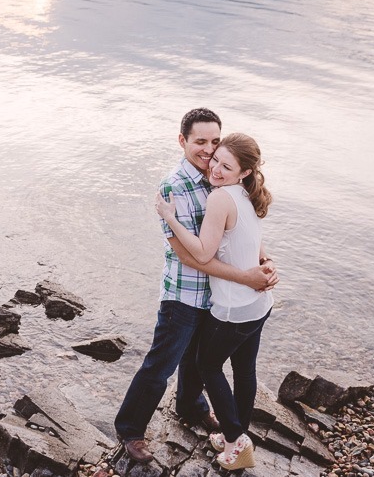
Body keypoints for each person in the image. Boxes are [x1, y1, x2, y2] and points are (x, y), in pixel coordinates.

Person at [114, 109, 277, 464]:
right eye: (200, 142)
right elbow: (189, 256)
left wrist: (264, 261)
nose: (208, 150)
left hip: (217, 296)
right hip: (184, 293)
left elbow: (240, 231)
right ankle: (130, 430)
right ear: (183, 140)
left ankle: (191, 407)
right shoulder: (174, 186)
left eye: (214, 142)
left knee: (197, 362)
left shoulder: (219, 177)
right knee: (162, 364)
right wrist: (247, 278)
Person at [155, 132, 274, 470]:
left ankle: (236, 441)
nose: (216, 170)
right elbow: (251, 243)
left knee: (207, 366)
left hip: (235, 307)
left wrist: (170, 218)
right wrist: (268, 263)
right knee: (244, 368)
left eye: (226, 166)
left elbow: (204, 252)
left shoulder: (220, 198)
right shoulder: (247, 195)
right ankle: (234, 435)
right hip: (259, 303)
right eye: (216, 161)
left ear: (245, 172)